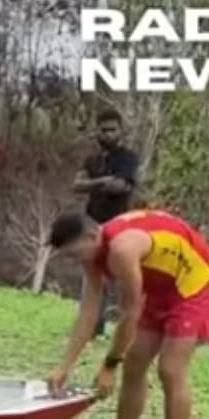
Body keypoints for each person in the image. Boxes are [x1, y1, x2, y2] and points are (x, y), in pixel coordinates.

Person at [45, 208, 209, 419]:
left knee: (170, 369)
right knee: (135, 364)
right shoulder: (94, 251)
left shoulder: (122, 249)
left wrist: (108, 365)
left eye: (74, 253)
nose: (75, 261)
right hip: (159, 287)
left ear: (92, 235)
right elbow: (89, 311)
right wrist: (64, 366)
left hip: (193, 284)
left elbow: (131, 313)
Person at [72, 108, 140, 338]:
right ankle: (90, 324)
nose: (108, 134)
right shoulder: (92, 159)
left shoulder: (127, 158)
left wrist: (94, 183)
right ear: (97, 132)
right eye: (103, 130)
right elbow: (76, 185)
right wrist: (103, 180)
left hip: (117, 223)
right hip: (92, 222)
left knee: (113, 275)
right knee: (91, 274)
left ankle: (109, 325)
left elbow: (120, 186)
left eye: (112, 130)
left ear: (121, 131)